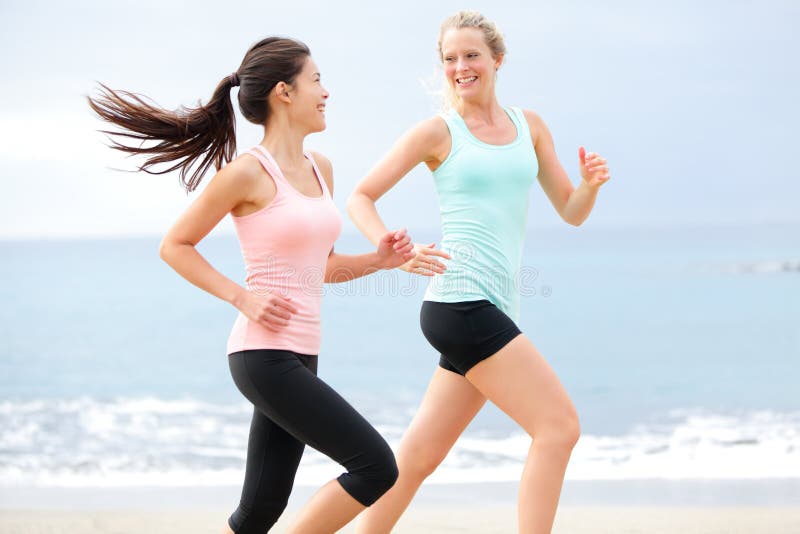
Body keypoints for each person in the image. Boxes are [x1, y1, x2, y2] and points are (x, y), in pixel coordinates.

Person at [88, 36, 414, 534]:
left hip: (302, 353)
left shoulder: (320, 169)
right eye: (318, 80)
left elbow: (321, 268)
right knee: (375, 466)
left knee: (258, 513)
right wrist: (240, 295)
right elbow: (175, 245)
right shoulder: (246, 173)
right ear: (284, 92)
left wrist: (380, 260)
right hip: (262, 355)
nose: (327, 92)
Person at [347, 11, 611, 534]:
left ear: (497, 59)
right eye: (450, 59)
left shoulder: (529, 126)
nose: (461, 67)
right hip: (459, 302)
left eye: (471, 55)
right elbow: (361, 195)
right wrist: (390, 249)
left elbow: (571, 211)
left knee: (419, 456)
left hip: (490, 306)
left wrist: (590, 185)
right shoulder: (437, 132)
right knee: (558, 427)